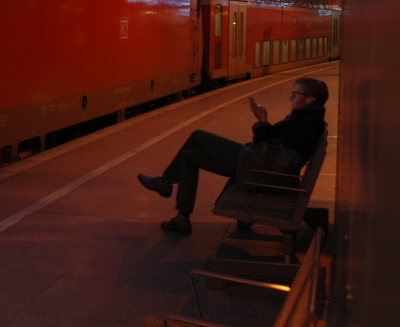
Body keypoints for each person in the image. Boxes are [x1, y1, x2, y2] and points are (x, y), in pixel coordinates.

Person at [137, 77, 328, 235]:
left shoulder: (307, 123)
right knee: (189, 156)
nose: (290, 98)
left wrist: (262, 120)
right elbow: (275, 145)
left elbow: (267, 144)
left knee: (198, 136)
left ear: (310, 99)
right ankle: (182, 218)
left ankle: (165, 182)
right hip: (260, 166)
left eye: (295, 94)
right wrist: (264, 122)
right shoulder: (308, 120)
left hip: (257, 169)